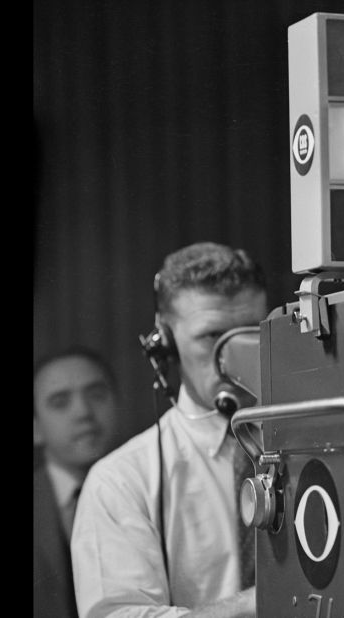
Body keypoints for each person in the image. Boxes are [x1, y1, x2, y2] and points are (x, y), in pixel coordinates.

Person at [72, 242, 268, 618]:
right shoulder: (122, 481)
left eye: (251, 331)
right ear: (165, 341)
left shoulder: (317, 439)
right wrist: (259, 604)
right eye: (212, 337)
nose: (235, 355)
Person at [34, 347, 122, 618]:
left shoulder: (157, 489)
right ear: (35, 428)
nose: (83, 412)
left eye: (96, 395)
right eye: (60, 402)